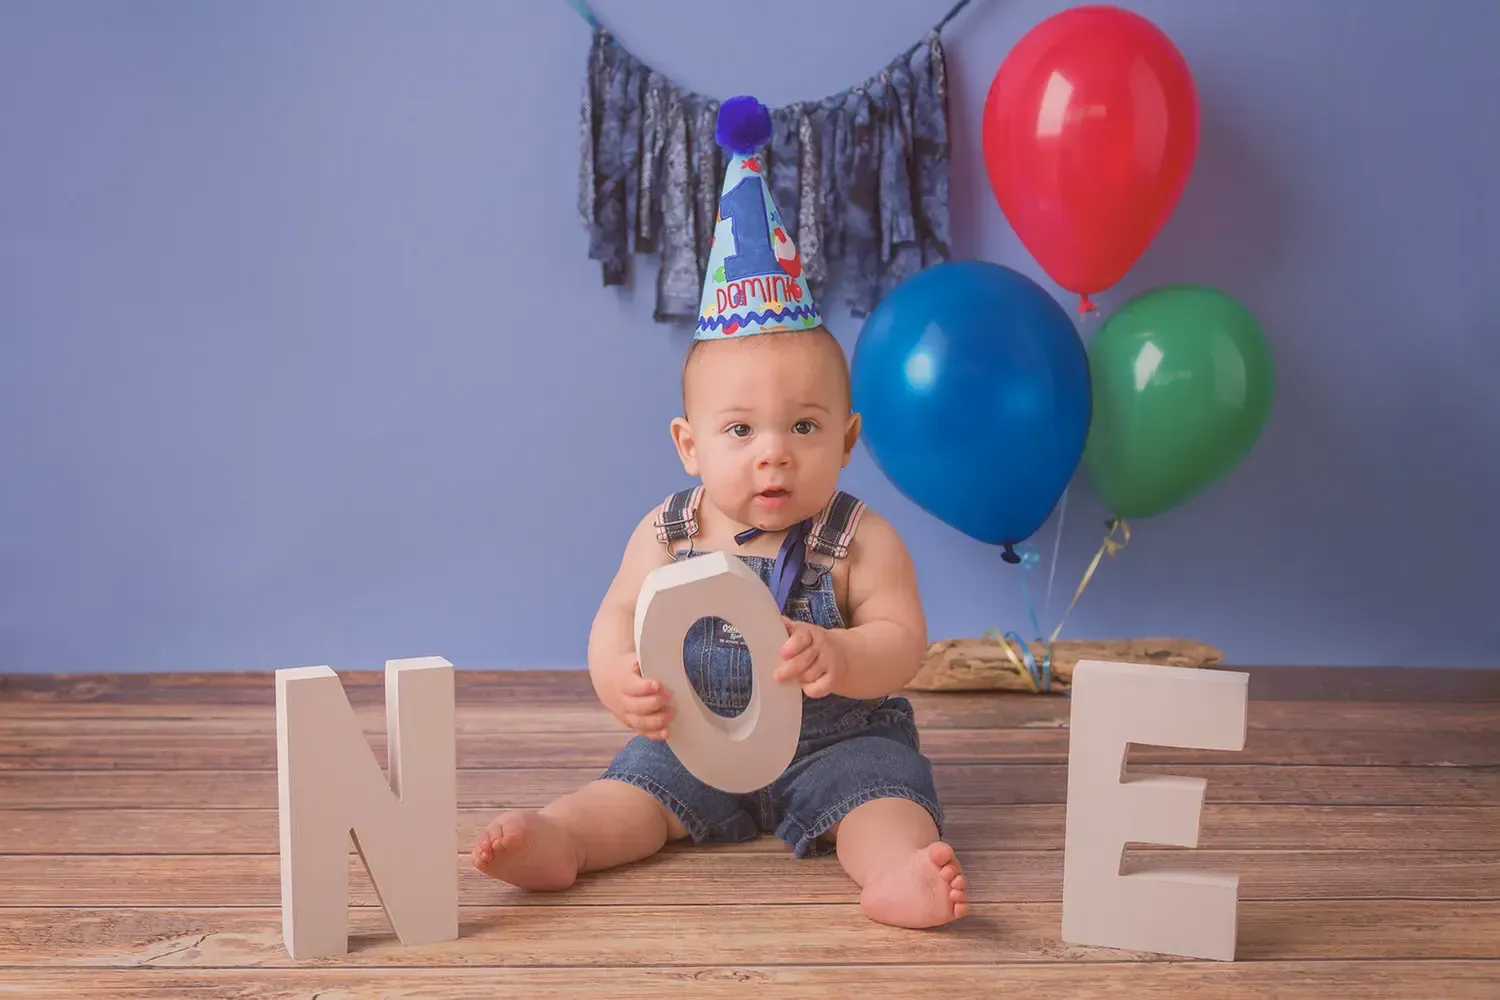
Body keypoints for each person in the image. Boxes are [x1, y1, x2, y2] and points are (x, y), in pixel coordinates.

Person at [473, 96, 966, 929]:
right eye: (739, 430)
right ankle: (561, 839)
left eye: (804, 427)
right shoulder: (667, 532)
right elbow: (619, 614)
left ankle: (894, 875)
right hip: (700, 739)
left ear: (847, 438)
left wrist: (844, 654)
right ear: (689, 444)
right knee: (633, 791)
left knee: (884, 800)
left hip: (838, 745)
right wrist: (616, 677)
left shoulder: (858, 539)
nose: (772, 452)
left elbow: (903, 639)